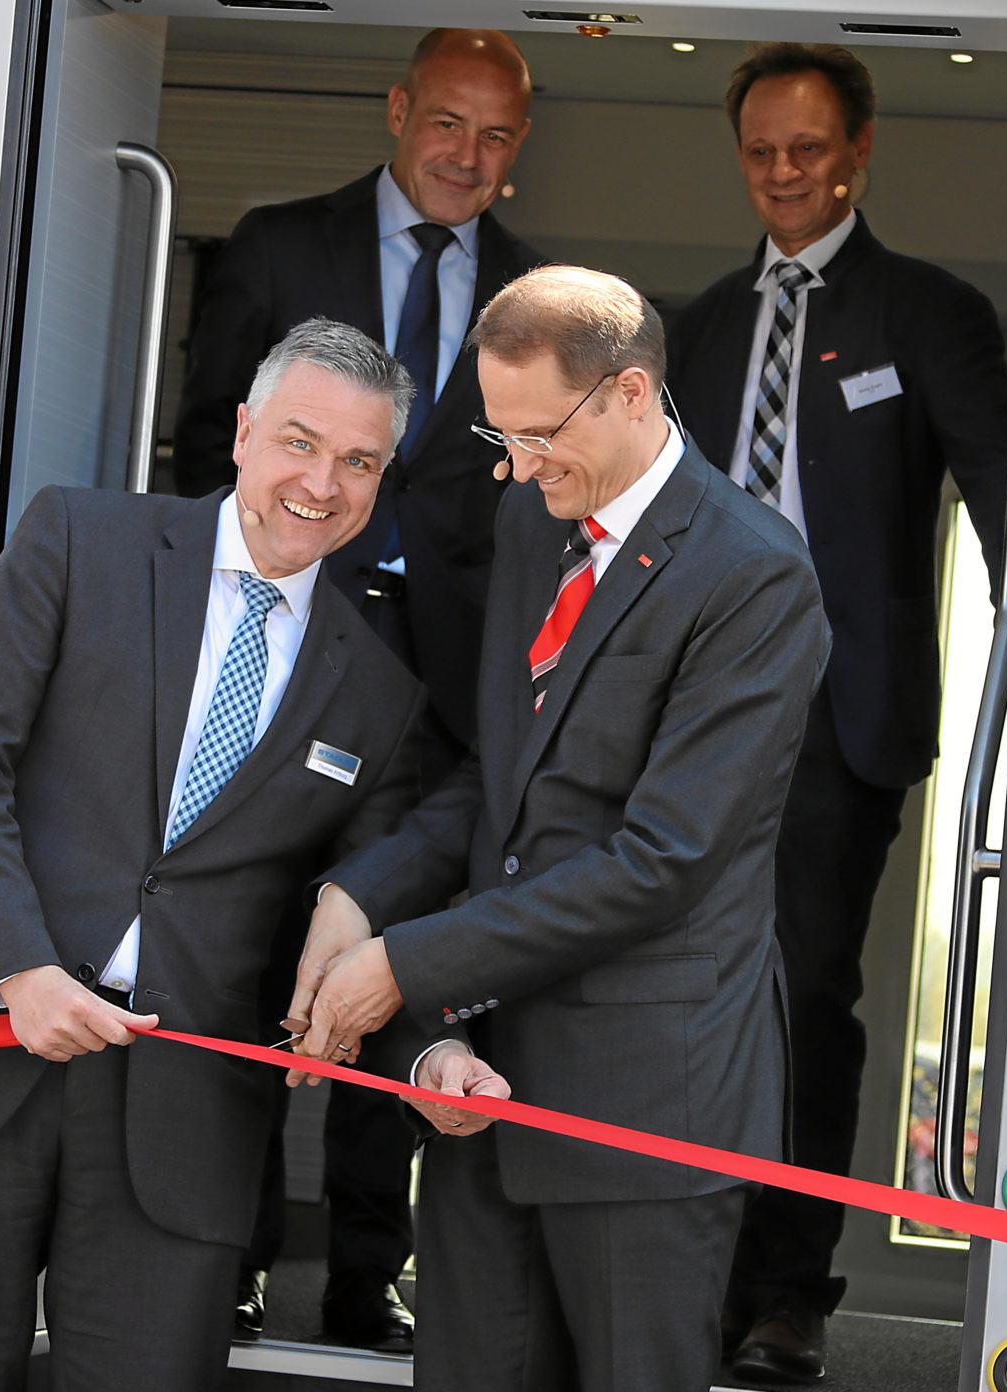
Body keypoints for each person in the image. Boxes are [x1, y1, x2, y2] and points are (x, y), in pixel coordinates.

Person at [0, 319, 428, 1389]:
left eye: (357, 461)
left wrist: (362, 922)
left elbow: (377, 868)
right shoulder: (78, 539)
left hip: (182, 1112)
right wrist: (21, 966)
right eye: (298, 441)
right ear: (241, 432)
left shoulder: (377, 687)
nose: (320, 483)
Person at [290, 266, 830, 1392]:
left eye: (539, 434)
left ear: (631, 395)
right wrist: (362, 895)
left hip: (644, 1103)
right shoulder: (530, 519)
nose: (518, 465)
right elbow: (500, 776)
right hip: (478, 1085)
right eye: (500, 433)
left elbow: (661, 862)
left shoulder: (754, 576)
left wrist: (404, 965)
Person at [172, 27, 541, 1348]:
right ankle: (232, 1255)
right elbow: (198, 444)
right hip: (275, 645)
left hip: (440, 684)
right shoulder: (279, 243)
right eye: (448, 123)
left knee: (400, 963)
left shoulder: (534, 295)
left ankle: (368, 1273)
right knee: (250, 945)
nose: (468, 156)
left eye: (497, 135)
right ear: (398, 112)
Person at [662, 41, 1007, 1382]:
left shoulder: (925, 312)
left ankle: (789, 1289)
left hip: (835, 717)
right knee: (692, 996)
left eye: (808, 149)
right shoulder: (693, 327)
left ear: (858, 153)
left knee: (805, 995)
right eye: (760, 151)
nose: (784, 173)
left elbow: (1001, 504)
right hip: (696, 717)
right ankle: (691, 1262)